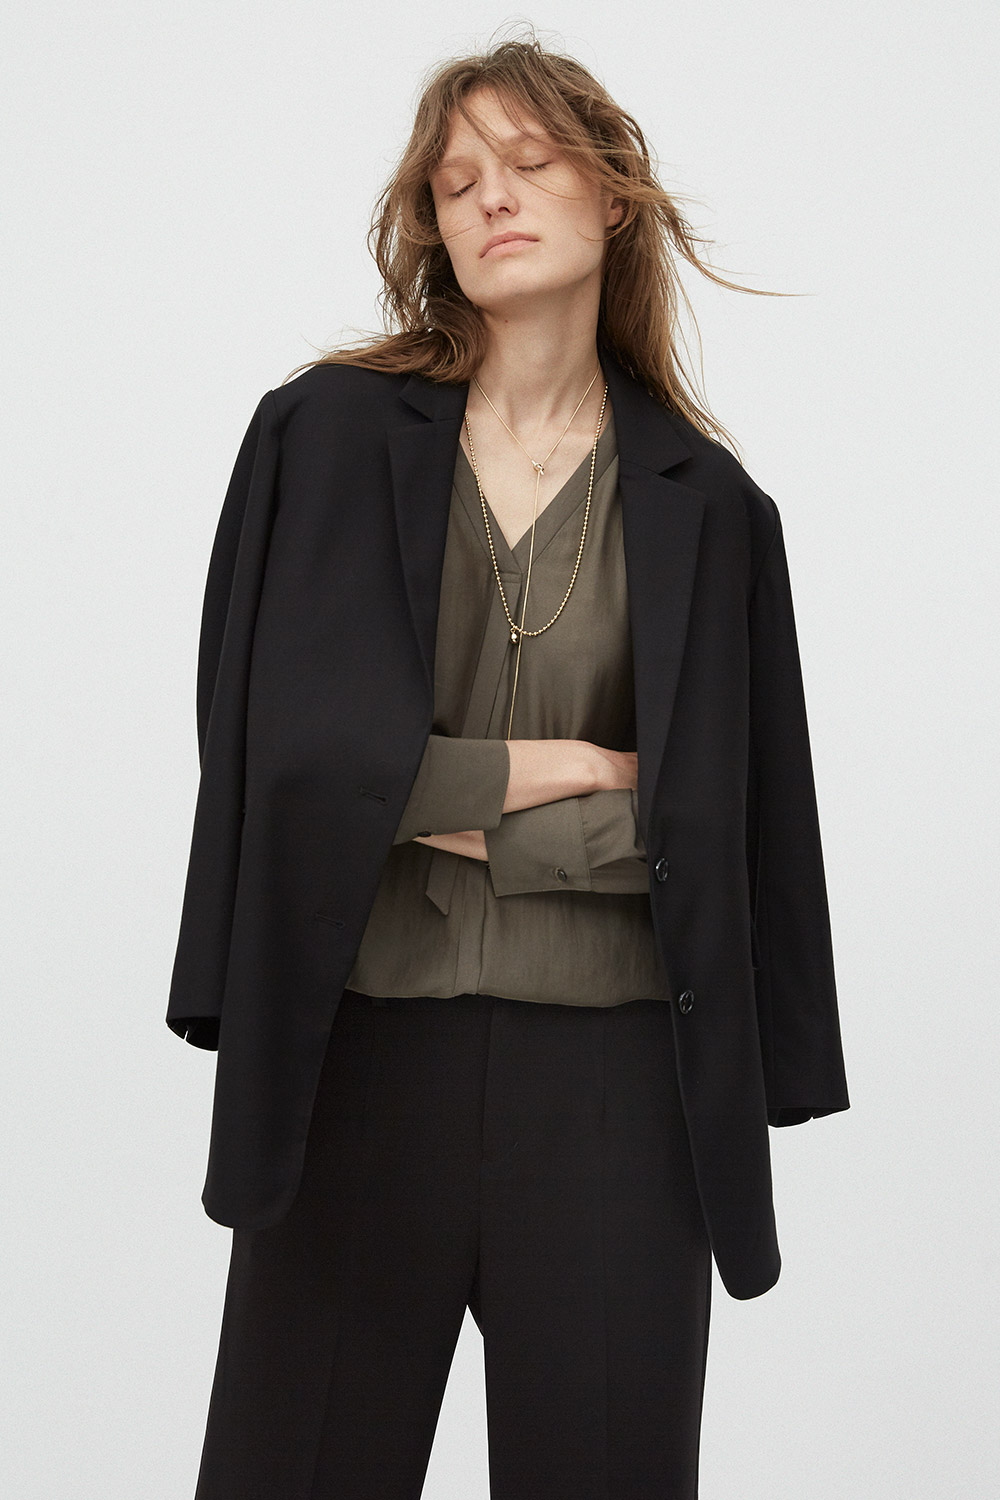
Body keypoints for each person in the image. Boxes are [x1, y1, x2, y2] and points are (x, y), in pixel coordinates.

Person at [168, 31, 850, 1500]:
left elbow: (719, 834)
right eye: (456, 178)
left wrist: (446, 806)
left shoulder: (714, 509)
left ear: (613, 195)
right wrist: (574, 772)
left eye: (531, 163)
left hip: (620, 1100)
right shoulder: (320, 439)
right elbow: (285, 768)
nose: (491, 196)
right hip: (356, 1071)